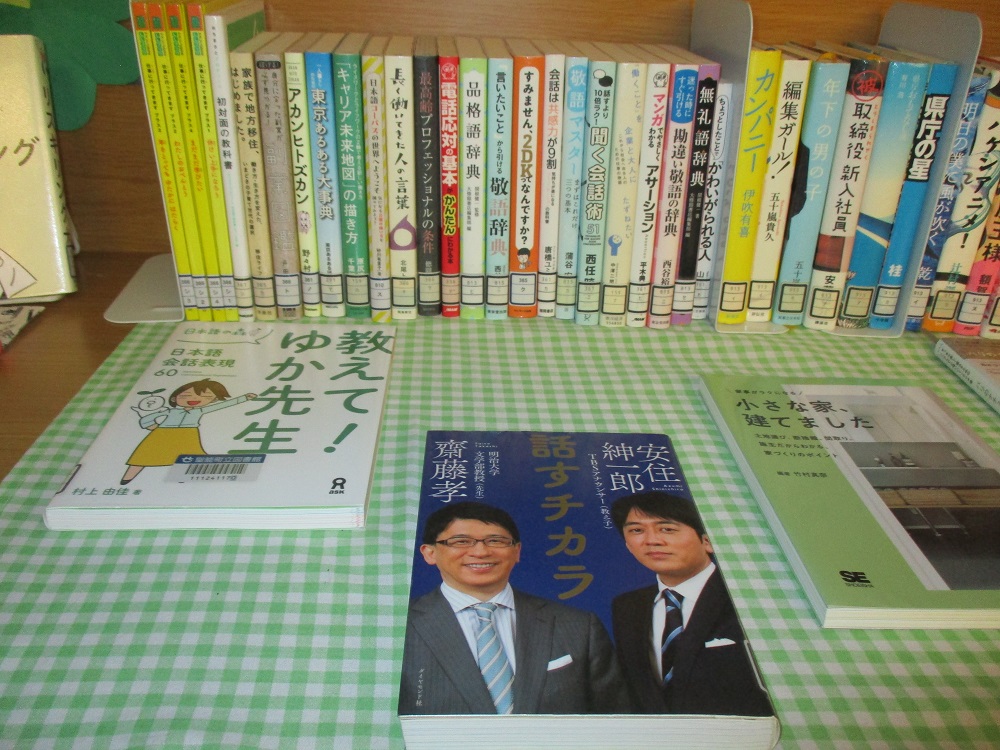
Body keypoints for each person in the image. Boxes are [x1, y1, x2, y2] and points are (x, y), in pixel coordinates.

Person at [398, 500, 631, 716]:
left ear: (517, 551)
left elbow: (615, 717)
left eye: (496, 541)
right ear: (430, 553)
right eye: (461, 541)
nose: (481, 552)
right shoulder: (399, 626)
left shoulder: (579, 626)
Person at [610, 491, 773, 716]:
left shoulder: (748, 593)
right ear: (628, 544)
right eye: (637, 530)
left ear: (707, 541)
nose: (652, 540)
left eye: (667, 529)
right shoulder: (627, 607)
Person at [120, 379, 257, 484]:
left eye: (206, 397)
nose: (195, 399)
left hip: (188, 435)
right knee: (143, 456)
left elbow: (224, 404)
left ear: (213, 400)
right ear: (174, 398)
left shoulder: (200, 410)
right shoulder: (169, 411)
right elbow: (147, 419)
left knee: (188, 458)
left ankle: (183, 481)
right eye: (186, 395)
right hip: (163, 434)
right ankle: (126, 479)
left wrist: (244, 398)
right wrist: (153, 427)